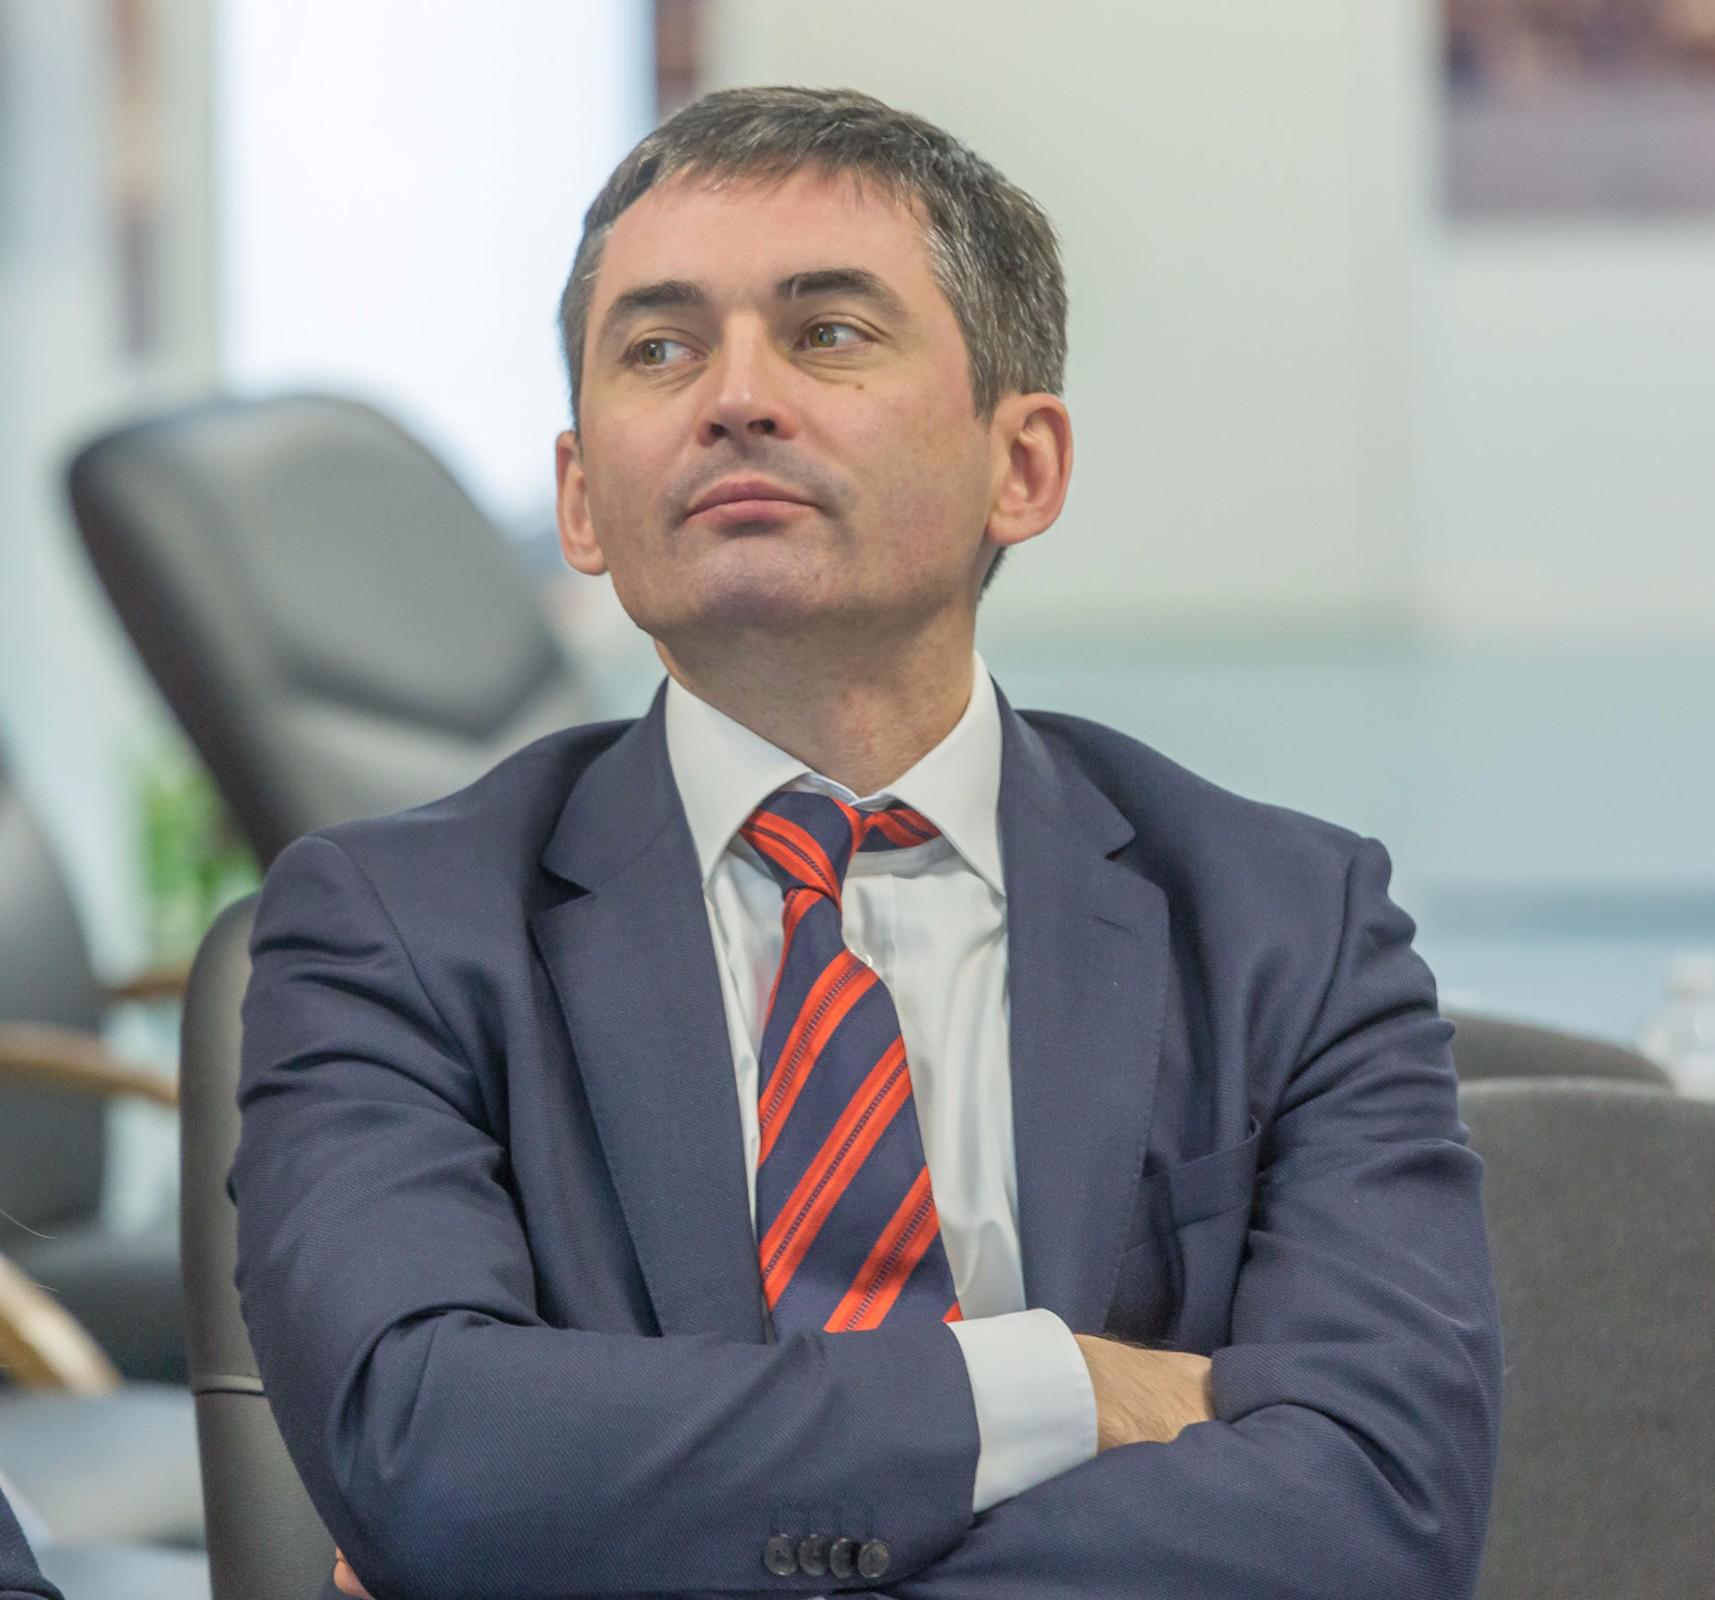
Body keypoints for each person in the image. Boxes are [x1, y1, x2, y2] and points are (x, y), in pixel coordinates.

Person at [233, 85, 1502, 1600]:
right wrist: (1056, 1389)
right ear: (581, 500)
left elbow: (1379, 1509)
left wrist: (615, 1534)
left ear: (1021, 466)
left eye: (827, 332)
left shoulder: (1287, 921)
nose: (735, 398)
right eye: (660, 349)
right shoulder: (392, 929)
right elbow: (428, 1460)